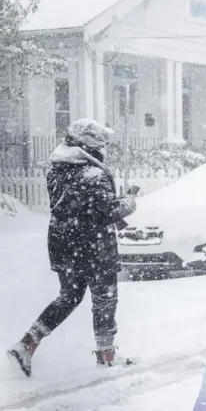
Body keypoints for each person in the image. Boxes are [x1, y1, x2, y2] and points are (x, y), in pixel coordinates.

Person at [6, 118, 137, 377]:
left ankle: (27, 343)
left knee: (69, 296)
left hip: (63, 243)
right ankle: (107, 355)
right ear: (91, 144)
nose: (104, 148)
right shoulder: (93, 174)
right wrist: (128, 202)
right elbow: (104, 211)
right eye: (101, 143)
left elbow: (77, 206)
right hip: (93, 245)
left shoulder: (57, 170)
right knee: (105, 297)